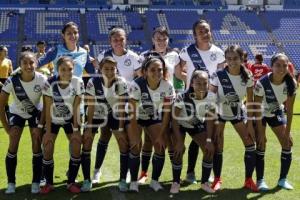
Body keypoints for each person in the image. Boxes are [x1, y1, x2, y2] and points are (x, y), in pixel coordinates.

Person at [92, 27, 142, 183]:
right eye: (115, 39)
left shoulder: (134, 57)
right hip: (105, 104)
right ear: (110, 41)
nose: (119, 42)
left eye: (121, 39)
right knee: (104, 135)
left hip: (124, 103)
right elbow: (99, 80)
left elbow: (140, 79)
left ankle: (125, 173)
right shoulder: (103, 56)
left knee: (124, 139)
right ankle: (96, 171)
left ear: (125, 39)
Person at [179, 19, 225, 186]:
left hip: (211, 101)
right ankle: (190, 173)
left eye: (207, 31)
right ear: (194, 35)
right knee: (195, 136)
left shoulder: (219, 53)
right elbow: (179, 70)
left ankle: (209, 174)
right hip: (192, 101)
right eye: (200, 32)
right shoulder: (187, 51)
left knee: (211, 137)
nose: (204, 34)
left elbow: (221, 77)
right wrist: (190, 81)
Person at [138, 26, 183, 184]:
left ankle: (174, 175)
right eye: (158, 38)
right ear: (152, 40)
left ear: (168, 39)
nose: (161, 41)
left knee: (170, 137)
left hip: (168, 99)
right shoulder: (144, 55)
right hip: (149, 101)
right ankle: (144, 173)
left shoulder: (174, 55)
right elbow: (139, 76)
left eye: (164, 38)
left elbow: (179, 75)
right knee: (148, 139)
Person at [210, 45, 258, 192]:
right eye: (229, 58)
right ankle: (217, 179)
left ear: (242, 58)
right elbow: (211, 100)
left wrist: (250, 123)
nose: (232, 61)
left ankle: (249, 180)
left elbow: (250, 102)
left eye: (235, 58)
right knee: (218, 145)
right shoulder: (217, 75)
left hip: (237, 112)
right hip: (220, 113)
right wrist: (215, 122)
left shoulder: (248, 76)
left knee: (250, 145)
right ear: (225, 59)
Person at [81, 56, 130, 192]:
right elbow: (90, 106)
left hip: (114, 114)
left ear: (116, 69)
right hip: (96, 114)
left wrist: (120, 127)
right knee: (87, 141)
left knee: (123, 141)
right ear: (100, 69)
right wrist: (89, 128)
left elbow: (121, 107)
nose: (109, 71)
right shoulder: (93, 81)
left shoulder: (121, 82)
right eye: (106, 68)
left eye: (112, 69)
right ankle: (89, 177)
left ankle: (122, 179)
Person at [0, 51, 46, 194]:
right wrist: (7, 127)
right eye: (24, 63)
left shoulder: (42, 79)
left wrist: (40, 126)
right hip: (17, 113)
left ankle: (36, 181)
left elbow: (47, 105)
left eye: (31, 62)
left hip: (35, 113)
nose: (28, 66)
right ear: (19, 65)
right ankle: (11, 183)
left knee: (36, 143)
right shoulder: (11, 80)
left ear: (36, 64)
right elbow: (1, 105)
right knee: (13, 142)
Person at [127, 55, 175, 192]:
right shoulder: (136, 84)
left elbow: (166, 113)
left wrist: (161, 135)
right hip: (135, 117)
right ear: (145, 71)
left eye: (159, 70)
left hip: (153, 116)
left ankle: (154, 181)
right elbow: (132, 113)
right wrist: (135, 135)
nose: (156, 73)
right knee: (135, 145)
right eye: (152, 70)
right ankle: (134, 182)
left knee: (160, 146)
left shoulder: (168, 86)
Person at [40, 56, 84, 194]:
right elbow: (47, 107)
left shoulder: (78, 82)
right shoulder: (50, 83)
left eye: (70, 69)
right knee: (47, 147)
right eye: (63, 69)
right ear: (57, 70)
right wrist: (47, 131)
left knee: (76, 145)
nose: (67, 72)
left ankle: (71, 181)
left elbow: (77, 107)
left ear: (73, 69)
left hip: (70, 119)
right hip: (53, 120)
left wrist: (76, 129)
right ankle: (49, 183)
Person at [254, 53, 297, 190]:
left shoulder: (292, 83)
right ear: (271, 66)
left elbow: (289, 110)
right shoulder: (262, 83)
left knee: (287, 142)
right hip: (260, 114)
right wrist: (261, 133)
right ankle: (260, 181)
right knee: (261, 144)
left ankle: (282, 180)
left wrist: (287, 131)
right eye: (278, 65)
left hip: (276, 112)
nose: (281, 68)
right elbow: (257, 108)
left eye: (285, 65)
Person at [171, 70, 216, 194]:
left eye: (205, 83)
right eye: (198, 83)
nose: (202, 86)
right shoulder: (182, 96)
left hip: (195, 124)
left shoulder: (211, 97)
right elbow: (174, 120)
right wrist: (179, 141)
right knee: (179, 150)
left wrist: (208, 140)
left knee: (209, 149)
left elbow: (210, 119)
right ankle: (176, 182)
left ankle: (205, 182)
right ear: (192, 84)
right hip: (179, 124)